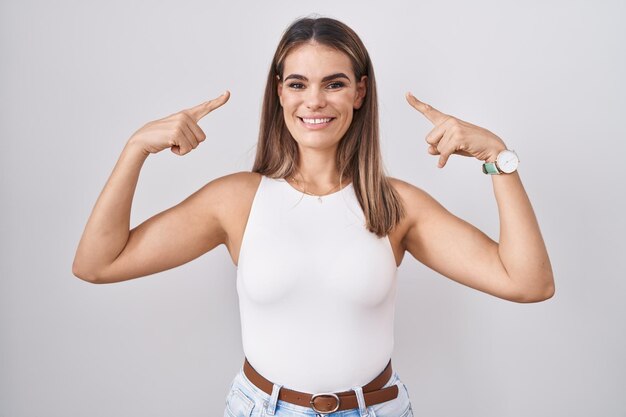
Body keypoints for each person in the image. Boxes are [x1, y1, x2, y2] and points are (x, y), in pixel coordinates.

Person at [72, 16, 554, 417]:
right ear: (279, 93)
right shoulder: (236, 200)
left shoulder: (394, 205)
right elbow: (98, 263)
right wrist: (135, 148)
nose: (315, 101)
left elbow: (528, 283)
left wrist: (498, 157)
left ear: (360, 93)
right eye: (298, 83)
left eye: (335, 84)